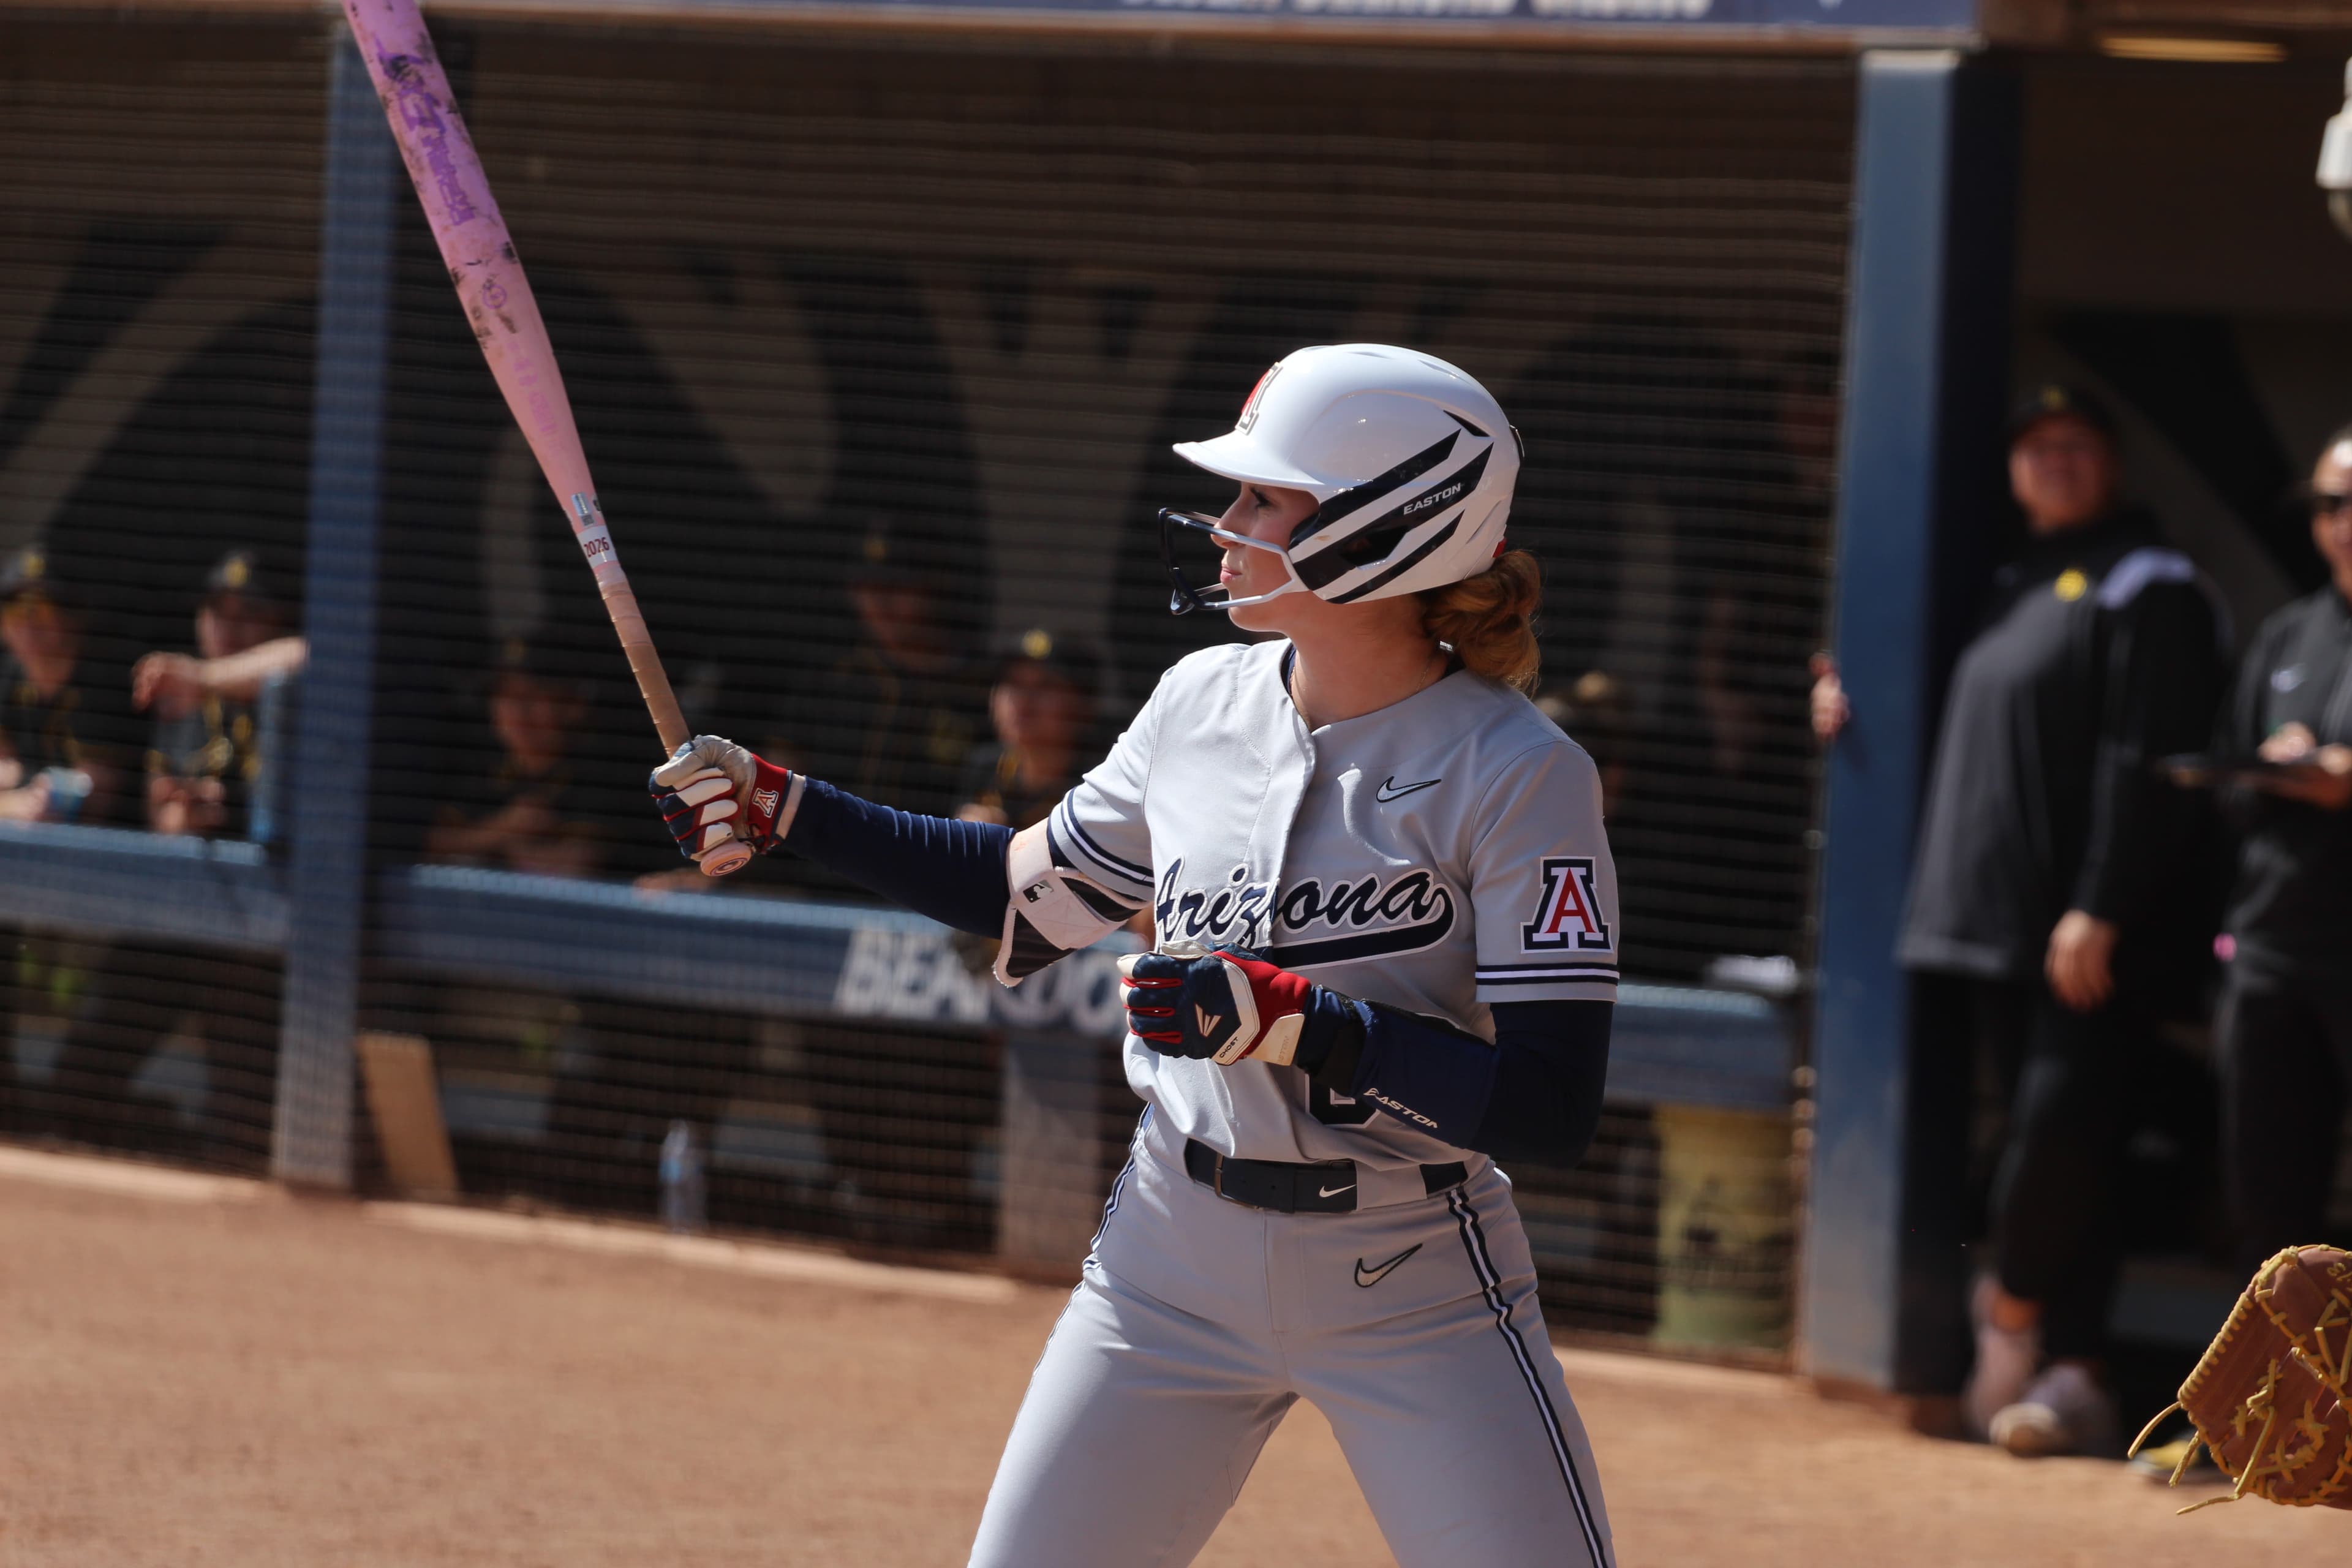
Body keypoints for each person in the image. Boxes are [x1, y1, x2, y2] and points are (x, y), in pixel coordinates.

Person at [654, 345, 1620, 1566]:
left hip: (1409, 1275)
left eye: (1267, 497)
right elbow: (1023, 894)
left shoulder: (1522, 770)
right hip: (1172, 1259)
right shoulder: (1199, 702)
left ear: (1390, 525)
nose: (1228, 523)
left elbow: (1547, 1108)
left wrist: (1306, 1023)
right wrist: (789, 804)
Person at [1815, 385, 2228, 1457]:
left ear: (2116, 465)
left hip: (2089, 935)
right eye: (2036, 447)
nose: (2055, 461)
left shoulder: (2154, 582)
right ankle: (2077, 1375)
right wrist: (1838, 698)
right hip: (1982, 923)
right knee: (2071, 1149)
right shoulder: (2004, 581)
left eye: (2078, 445)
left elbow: (2151, 766)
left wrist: (2100, 904)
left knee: (2056, 1134)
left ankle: (2006, 1319)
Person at [2207, 428, 2352, 1268]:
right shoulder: (2288, 636)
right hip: (2273, 952)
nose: (2345, 522)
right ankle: (2283, 1400)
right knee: (2271, 1211)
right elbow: (2224, 791)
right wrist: (2268, 772)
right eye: (2331, 504)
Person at [134, 548, 306, 840]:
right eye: (217, 611)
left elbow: (308, 655)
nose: (229, 627)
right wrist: (182, 818)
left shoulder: (294, 694)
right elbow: (157, 818)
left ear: (281, 621)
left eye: (250, 612)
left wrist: (202, 677)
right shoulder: (182, 702)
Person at [956, 628, 1102, 832]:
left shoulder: (1100, 786)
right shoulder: (987, 769)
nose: (1024, 701)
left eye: (1046, 686)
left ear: (1084, 704)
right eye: (1013, 684)